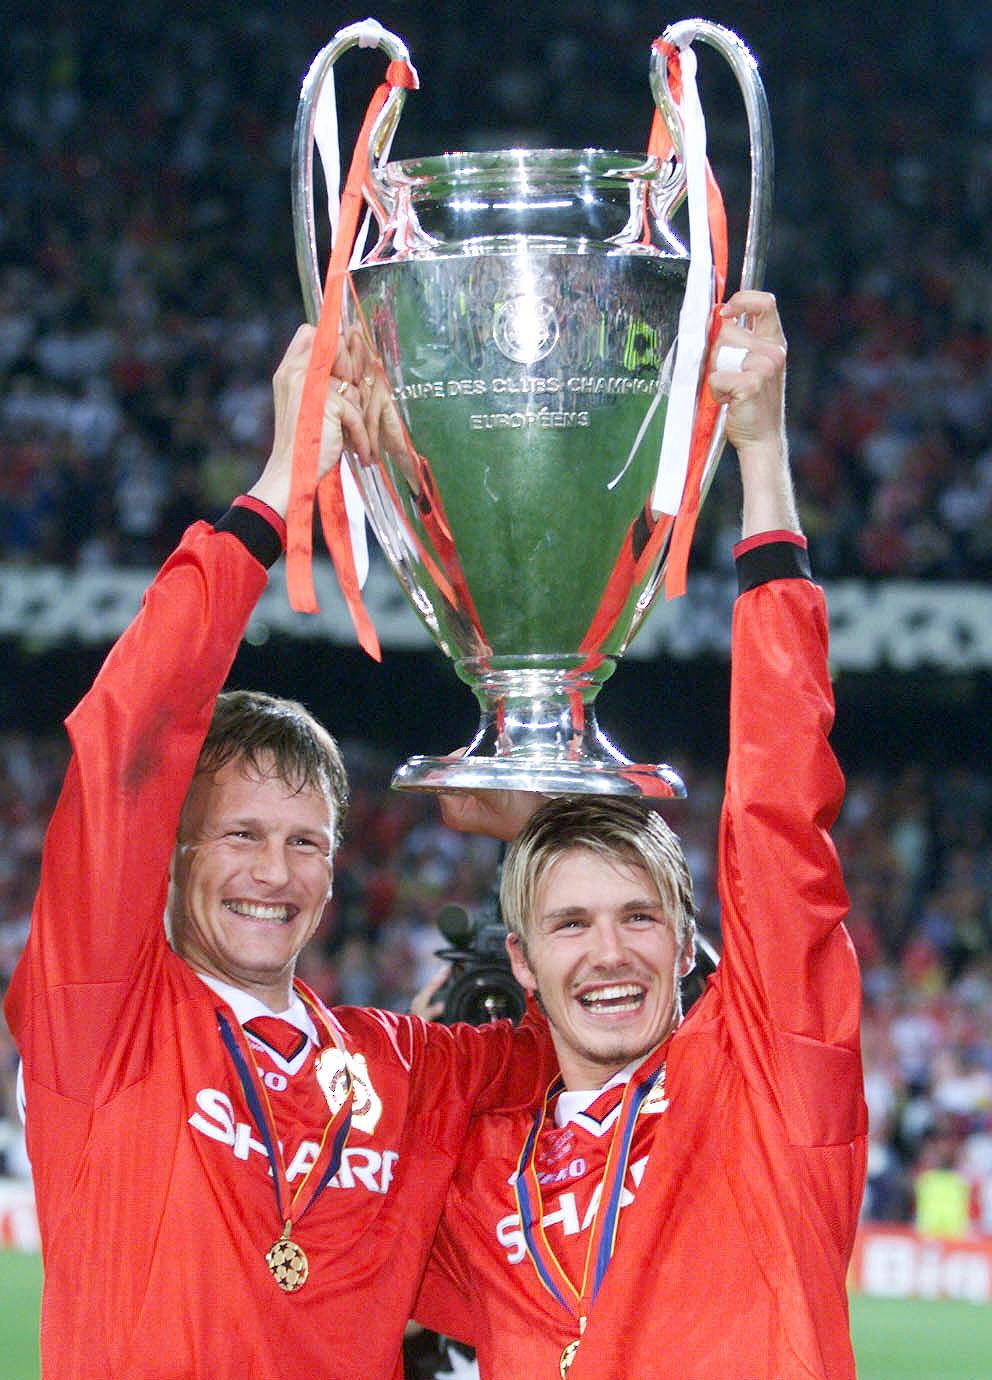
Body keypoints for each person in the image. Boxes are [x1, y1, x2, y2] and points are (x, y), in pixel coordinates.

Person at [3, 324, 556, 1380]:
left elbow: (610, 1035)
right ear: (169, 854)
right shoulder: (101, 1017)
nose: (275, 873)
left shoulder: (401, 1067)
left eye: (306, 843)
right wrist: (273, 493)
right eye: (242, 835)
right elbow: (129, 731)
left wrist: (548, 832)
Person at [412, 290, 870, 1379]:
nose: (609, 952)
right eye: (568, 924)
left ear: (684, 941)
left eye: (636, 917)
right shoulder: (480, 1179)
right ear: (519, 959)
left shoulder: (762, 1092)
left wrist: (759, 457)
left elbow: (778, 810)